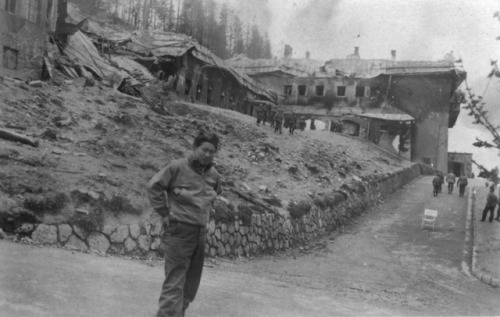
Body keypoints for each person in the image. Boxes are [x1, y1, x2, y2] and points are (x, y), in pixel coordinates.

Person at [147, 132, 222, 317]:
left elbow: (215, 193)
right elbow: (154, 186)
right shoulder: (177, 167)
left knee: (190, 286)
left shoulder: (214, 174)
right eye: (204, 150)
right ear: (194, 148)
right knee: (174, 284)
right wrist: (164, 212)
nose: (207, 155)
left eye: (212, 152)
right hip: (179, 231)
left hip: (200, 233)